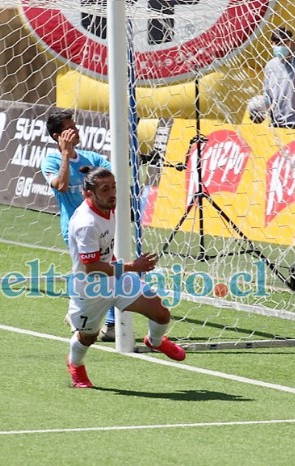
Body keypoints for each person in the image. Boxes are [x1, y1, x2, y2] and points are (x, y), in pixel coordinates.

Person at [66, 166, 185, 388]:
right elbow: (91, 268)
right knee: (87, 338)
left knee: (160, 313)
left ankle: (155, 341)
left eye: (113, 187)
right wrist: (133, 266)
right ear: (88, 193)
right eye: (105, 189)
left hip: (117, 279)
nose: (112, 193)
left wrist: (125, 267)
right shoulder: (86, 224)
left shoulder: (108, 206)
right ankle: (75, 366)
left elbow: (104, 252)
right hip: (90, 288)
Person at [41, 109, 117, 342]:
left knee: (110, 272)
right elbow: (61, 186)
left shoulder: (91, 158)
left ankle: (111, 324)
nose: (76, 129)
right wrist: (65, 155)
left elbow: (111, 177)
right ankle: (79, 315)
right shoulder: (51, 161)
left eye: (75, 124)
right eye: (69, 127)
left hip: (102, 223)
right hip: (76, 230)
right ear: (58, 136)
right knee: (91, 276)